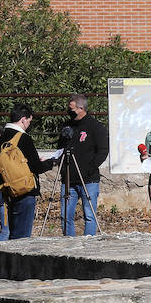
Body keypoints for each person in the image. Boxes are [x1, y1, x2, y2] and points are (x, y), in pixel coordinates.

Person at [0, 104, 59, 240]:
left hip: (9, 193)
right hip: (25, 191)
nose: (29, 124)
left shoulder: (1, 139)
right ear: (23, 119)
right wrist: (52, 162)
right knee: (23, 239)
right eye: (29, 121)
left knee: (13, 234)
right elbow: (37, 167)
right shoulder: (23, 138)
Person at [58, 93, 109, 236]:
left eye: (72, 108)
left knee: (89, 216)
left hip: (88, 179)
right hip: (68, 179)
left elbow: (103, 151)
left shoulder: (95, 127)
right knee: (65, 215)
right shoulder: (67, 126)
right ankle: (69, 247)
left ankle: (88, 247)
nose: (69, 111)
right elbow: (61, 148)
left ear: (81, 108)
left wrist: (89, 168)